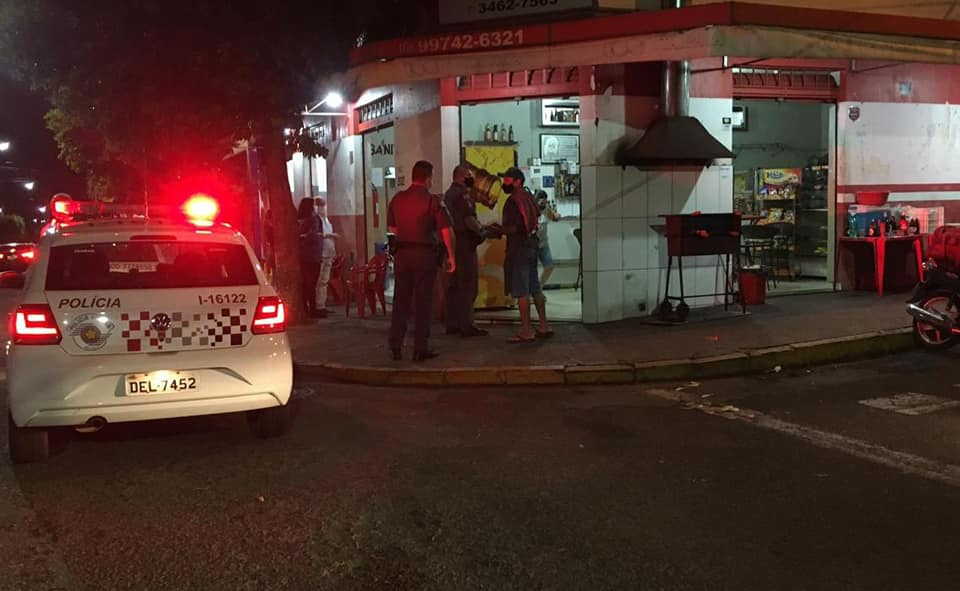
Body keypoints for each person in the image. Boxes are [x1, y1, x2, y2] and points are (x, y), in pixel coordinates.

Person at [387, 160, 456, 362]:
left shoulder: (397, 199)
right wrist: (451, 256)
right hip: (424, 255)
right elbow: (445, 230)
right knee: (423, 302)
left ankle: (396, 345)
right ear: (428, 178)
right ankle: (420, 348)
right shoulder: (432, 201)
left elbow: (393, 228)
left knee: (401, 301)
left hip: (402, 255)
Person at [444, 164, 496, 337]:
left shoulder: (448, 194)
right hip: (464, 244)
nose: (472, 178)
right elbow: (468, 219)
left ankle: (452, 324)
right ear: (461, 176)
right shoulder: (462, 194)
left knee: (453, 286)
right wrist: (482, 231)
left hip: (452, 243)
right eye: (469, 175)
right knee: (467, 285)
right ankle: (467, 324)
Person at [501, 168, 552, 343]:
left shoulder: (512, 201)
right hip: (532, 246)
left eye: (507, 180)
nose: (504, 183)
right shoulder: (528, 196)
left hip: (519, 248)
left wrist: (498, 230)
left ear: (517, 181)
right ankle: (543, 326)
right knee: (535, 287)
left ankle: (526, 331)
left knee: (522, 291)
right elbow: (536, 215)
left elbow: (515, 227)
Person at [297, 198, 324, 318]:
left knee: (306, 284)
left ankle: (306, 307)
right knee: (311, 284)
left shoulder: (298, 220)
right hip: (313, 257)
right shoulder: (313, 220)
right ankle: (312, 309)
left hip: (303, 256)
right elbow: (314, 236)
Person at [314, 196, 338, 318]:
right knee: (320, 281)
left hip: (329, 253)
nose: (323, 208)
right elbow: (317, 235)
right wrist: (329, 235)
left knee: (324, 281)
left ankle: (322, 305)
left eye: (323, 205)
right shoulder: (316, 220)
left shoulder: (326, 219)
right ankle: (318, 306)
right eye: (320, 205)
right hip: (321, 254)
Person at [535, 190, 561, 287]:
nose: (544, 205)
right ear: (537, 200)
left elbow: (554, 217)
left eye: (545, 202)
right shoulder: (531, 209)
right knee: (532, 270)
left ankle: (539, 287)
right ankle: (532, 291)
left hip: (543, 244)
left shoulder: (546, 209)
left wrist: (557, 216)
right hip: (532, 245)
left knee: (549, 266)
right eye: (542, 203)